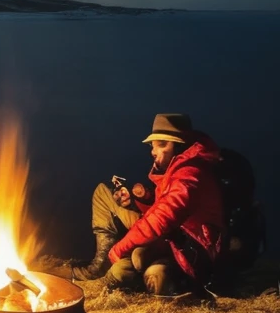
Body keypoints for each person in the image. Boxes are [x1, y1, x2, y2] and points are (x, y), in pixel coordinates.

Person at [71, 112, 226, 295]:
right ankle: (101, 266)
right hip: (171, 239)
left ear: (179, 146)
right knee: (103, 192)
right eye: (153, 146)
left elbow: (161, 219)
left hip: (186, 251)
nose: (153, 152)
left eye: (161, 145)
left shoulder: (190, 175)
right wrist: (140, 200)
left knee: (138, 272)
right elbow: (165, 207)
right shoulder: (180, 168)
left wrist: (119, 249)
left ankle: (128, 268)